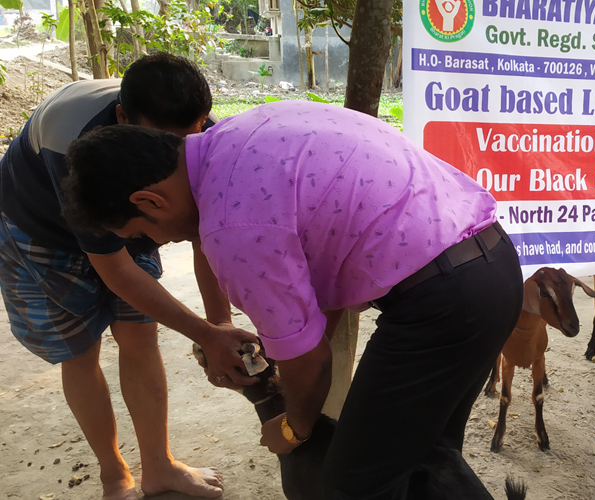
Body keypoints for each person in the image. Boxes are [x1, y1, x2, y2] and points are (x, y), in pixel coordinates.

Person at [61, 99, 525, 498]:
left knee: (352, 486)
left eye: (144, 233)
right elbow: (318, 291)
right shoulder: (246, 129)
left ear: (150, 201)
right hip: (494, 266)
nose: (166, 242)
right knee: (423, 458)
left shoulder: (230, 228)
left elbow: (310, 364)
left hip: (443, 302)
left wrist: (293, 427)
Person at [0, 53, 258, 500]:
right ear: (122, 118)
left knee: (140, 336)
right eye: (162, 143)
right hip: (41, 230)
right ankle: (114, 475)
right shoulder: (72, 143)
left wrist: (217, 325)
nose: (172, 163)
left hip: (136, 216)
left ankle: (159, 467)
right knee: (79, 351)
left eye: (184, 144)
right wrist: (204, 332)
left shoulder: (201, 134)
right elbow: (115, 268)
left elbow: (201, 232)